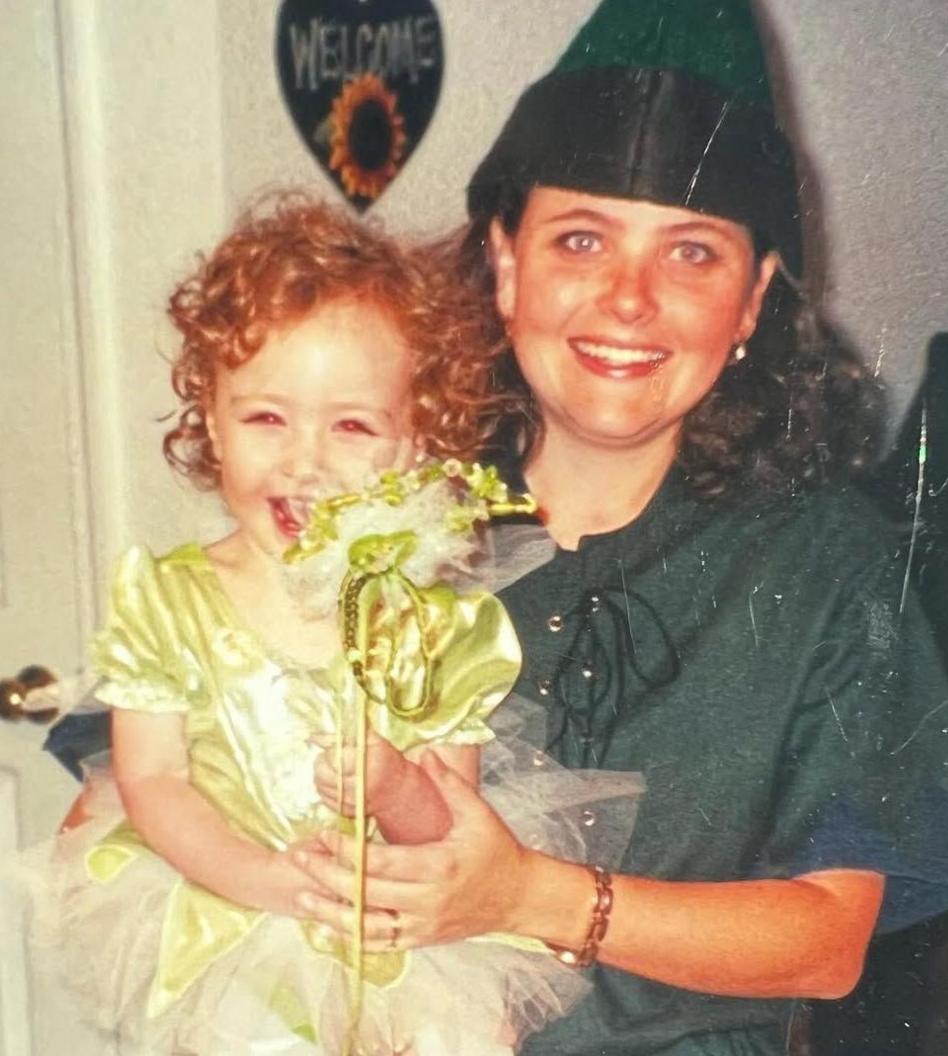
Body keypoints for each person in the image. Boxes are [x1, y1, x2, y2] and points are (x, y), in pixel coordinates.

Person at [295, 2, 948, 1054]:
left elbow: (827, 941)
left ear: (755, 300)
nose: (629, 300)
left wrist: (527, 894)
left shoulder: (834, 566)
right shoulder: (384, 518)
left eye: (693, 254)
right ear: (503, 262)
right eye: (581, 239)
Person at [15, 196, 633, 1056]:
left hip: (401, 934)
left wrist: (392, 787)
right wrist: (262, 880)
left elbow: (448, 823)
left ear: (415, 445)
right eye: (266, 417)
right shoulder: (166, 599)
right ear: (212, 422)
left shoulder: (434, 622)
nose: (303, 460)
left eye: (351, 426)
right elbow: (153, 782)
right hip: (232, 924)